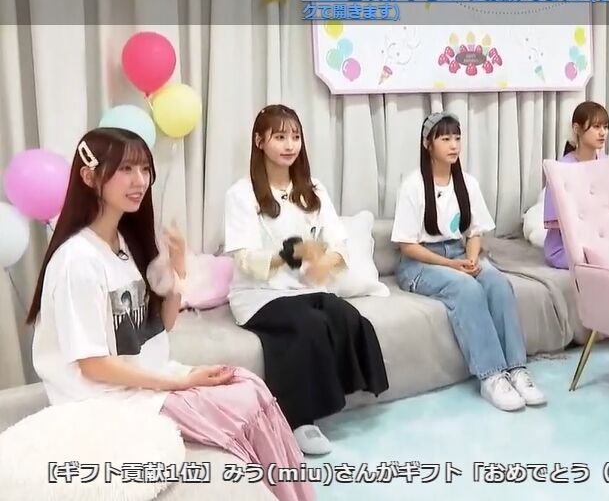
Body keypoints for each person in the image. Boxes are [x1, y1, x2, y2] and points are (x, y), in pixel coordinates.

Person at [26, 127, 313, 501]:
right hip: (108, 398)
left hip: (148, 381)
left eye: (145, 169)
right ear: (89, 176)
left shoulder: (123, 244)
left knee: (250, 385)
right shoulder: (77, 261)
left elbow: (162, 325)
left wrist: (177, 269)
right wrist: (178, 383)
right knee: (242, 403)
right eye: (126, 169)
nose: (140, 181)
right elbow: (92, 365)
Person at [223, 104, 389, 456]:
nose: (290, 145)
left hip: (304, 289)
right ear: (259, 141)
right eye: (280, 137)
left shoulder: (313, 190)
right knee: (308, 325)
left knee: (346, 316)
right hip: (259, 295)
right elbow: (244, 258)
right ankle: (299, 419)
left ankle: (344, 392)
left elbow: (339, 242)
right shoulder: (242, 194)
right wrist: (289, 255)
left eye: (295, 137)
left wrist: (324, 262)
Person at [391, 111, 546, 411]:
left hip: (459, 253)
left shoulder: (467, 183)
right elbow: (406, 245)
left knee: (498, 283)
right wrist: (452, 266)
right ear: (427, 144)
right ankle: (491, 377)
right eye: (445, 139)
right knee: (467, 289)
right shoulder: (413, 185)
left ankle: (516, 369)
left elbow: (475, 232)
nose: (454, 145)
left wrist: (472, 259)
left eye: (457, 138)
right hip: (420, 263)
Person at [542, 100, 608, 269]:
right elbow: (558, 222)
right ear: (577, 129)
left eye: (605, 127)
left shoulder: (608, 165)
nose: (602, 132)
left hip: (601, 241)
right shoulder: (560, 169)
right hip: (565, 247)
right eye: (596, 127)